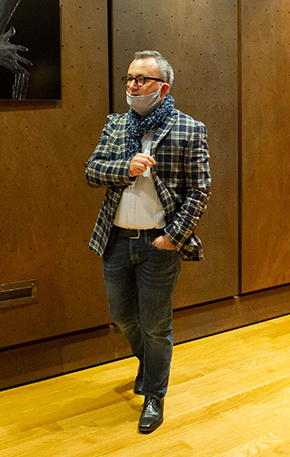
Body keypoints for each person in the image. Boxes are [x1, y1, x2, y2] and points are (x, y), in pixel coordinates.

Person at [85, 50, 211, 433]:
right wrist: (125, 168)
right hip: (117, 240)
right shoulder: (116, 125)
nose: (133, 86)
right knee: (121, 315)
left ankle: (155, 395)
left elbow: (200, 191)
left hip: (159, 244)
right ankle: (148, 362)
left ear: (163, 88)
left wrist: (173, 238)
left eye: (141, 80)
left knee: (156, 325)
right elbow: (92, 171)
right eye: (129, 79)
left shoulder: (189, 128)